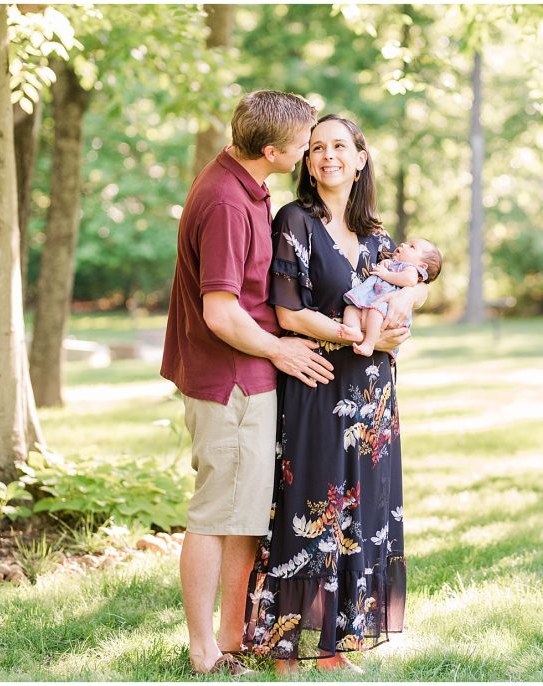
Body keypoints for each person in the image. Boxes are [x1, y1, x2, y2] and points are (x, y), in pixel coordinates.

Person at [161, 91, 338, 676]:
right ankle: (202, 651)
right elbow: (221, 312)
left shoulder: (243, 182)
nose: (310, 152)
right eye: (303, 144)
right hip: (228, 380)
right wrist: (280, 351)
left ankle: (232, 637)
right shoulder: (226, 203)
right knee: (216, 515)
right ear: (271, 150)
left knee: (244, 514)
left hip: (247, 376)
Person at [243, 114, 426, 673]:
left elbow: (399, 305)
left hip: (371, 396)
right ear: (306, 160)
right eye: (317, 147)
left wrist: (397, 328)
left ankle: (335, 646)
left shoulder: (380, 238)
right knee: (306, 506)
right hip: (316, 384)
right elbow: (285, 310)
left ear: (361, 157)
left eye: (340, 146)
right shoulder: (294, 221)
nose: (328, 156)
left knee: (361, 512)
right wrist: (344, 334)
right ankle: (282, 646)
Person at [342, 237, 443, 356]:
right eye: (405, 243)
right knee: (350, 309)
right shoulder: (394, 263)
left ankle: (369, 344)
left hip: (385, 309)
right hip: (371, 305)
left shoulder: (411, 269)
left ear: (422, 266)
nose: (403, 245)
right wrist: (386, 263)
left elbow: (409, 280)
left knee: (375, 312)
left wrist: (386, 274)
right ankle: (354, 329)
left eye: (412, 247)